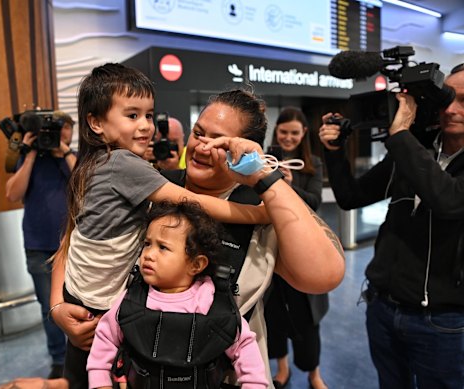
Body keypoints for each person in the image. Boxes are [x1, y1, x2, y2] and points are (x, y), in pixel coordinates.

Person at [50, 85, 345, 389]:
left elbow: (323, 275)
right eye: (200, 133)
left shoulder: (259, 209)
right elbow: (74, 241)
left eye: (220, 142)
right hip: (136, 372)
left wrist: (262, 175)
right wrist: (57, 305)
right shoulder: (151, 186)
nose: (203, 147)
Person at [318, 64, 464, 389]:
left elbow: (449, 200)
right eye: (448, 99)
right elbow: (351, 196)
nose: (452, 110)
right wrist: (334, 152)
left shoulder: (407, 147)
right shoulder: (415, 148)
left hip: (443, 322)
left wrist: (401, 137)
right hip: (382, 308)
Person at [87, 200, 268, 389]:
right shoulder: (132, 300)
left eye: (162, 247)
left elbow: (244, 346)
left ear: (196, 264)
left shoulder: (212, 302)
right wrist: (100, 383)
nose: (149, 254)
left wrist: (254, 384)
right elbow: (105, 339)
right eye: (147, 244)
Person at [5, 111, 76, 378]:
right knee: (50, 308)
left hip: (73, 247)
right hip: (38, 245)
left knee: (81, 303)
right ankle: (59, 360)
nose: (61, 133)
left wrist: (65, 151)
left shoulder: (74, 157)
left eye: (65, 128)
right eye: (58, 129)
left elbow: (88, 186)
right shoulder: (29, 157)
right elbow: (12, 193)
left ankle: (81, 356)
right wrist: (31, 153)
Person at [264, 107, 329, 389]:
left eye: (294, 133)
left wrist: (287, 187)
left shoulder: (312, 162)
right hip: (272, 251)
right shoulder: (265, 159)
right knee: (273, 315)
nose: (288, 138)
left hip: (304, 251)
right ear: (276, 132)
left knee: (307, 319)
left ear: (303, 134)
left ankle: (314, 374)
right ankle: (282, 369)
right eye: (283, 132)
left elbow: (315, 201)